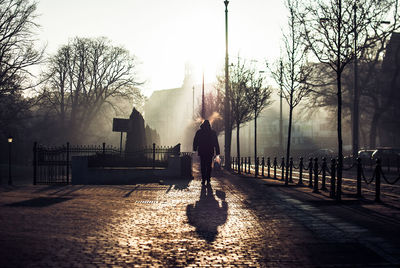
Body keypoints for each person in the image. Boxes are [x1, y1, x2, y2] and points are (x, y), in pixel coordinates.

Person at [193, 120, 220, 185]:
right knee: (209, 166)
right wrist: (217, 151)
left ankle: (203, 179)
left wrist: (195, 148)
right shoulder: (212, 132)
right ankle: (208, 179)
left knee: (203, 165)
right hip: (210, 151)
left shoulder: (199, 132)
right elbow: (216, 142)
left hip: (202, 151)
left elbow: (195, 141)